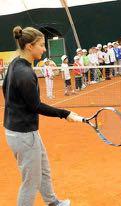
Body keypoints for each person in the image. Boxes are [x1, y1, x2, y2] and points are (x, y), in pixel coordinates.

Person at [3, 26, 83, 206]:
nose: (44, 49)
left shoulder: (16, 63)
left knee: (43, 169)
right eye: (41, 45)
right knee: (30, 182)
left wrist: (16, 108)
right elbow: (36, 106)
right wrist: (65, 113)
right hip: (23, 134)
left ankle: (52, 202)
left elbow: (5, 91)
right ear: (29, 46)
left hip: (20, 130)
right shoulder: (25, 73)